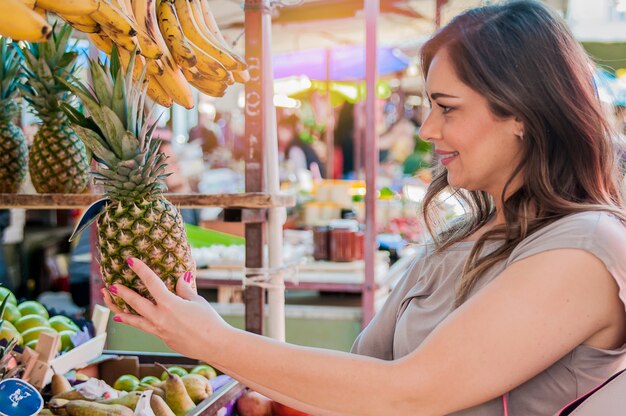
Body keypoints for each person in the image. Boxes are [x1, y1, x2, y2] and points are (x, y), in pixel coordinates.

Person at [102, 1, 626, 414]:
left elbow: (410, 394)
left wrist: (211, 339)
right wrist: (206, 336)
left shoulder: (585, 249)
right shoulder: (463, 234)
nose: (427, 130)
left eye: (446, 108)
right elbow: (361, 380)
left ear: (523, 114)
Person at [278, 113, 326, 178]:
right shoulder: (298, 145)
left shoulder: (295, 148)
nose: (280, 133)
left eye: (284, 129)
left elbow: (299, 173)